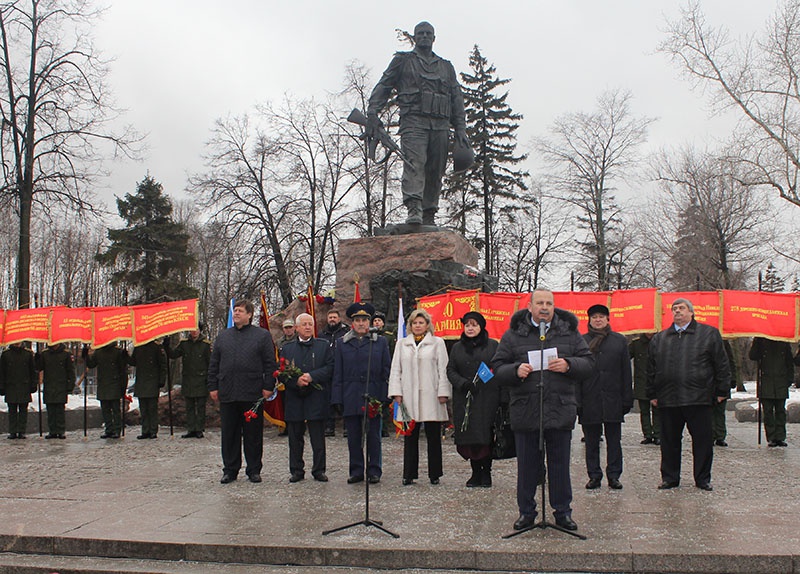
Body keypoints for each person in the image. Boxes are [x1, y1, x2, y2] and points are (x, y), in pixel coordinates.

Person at [491, 289, 593, 532]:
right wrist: (515, 370)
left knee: (560, 466)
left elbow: (588, 363)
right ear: (530, 307)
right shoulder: (514, 335)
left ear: (554, 306)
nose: (544, 307)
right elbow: (497, 367)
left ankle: (562, 512)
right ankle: (526, 512)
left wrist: (569, 365)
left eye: (549, 303)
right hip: (526, 411)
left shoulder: (568, 332)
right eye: (540, 303)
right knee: (526, 467)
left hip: (559, 410)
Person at [367, 21, 468, 226]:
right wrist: (372, 111)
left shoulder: (446, 67)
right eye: (420, 33)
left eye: (428, 33)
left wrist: (461, 129)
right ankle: (414, 207)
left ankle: (429, 213)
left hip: (440, 125)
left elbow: (456, 99)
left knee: (435, 169)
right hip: (414, 122)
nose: (424, 36)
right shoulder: (402, 61)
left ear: (434, 38)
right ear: (415, 37)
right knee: (414, 163)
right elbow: (384, 85)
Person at [646, 298, 730, 491]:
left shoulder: (708, 334)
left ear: (691, 312)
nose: (677, 311)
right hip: (668, 398)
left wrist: (721, 391)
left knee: (702, 442)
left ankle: (702, 479)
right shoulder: (660, 338)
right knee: (669, 442)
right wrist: (652, 393)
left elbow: (722, 365)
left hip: (699, 398)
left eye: (681, 308)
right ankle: (670, 478)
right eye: (674, 309)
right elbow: (650, 368)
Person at [208, 299, 277, 484]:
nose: (236, 313)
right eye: (235, 311)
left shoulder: (261, 336)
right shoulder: (223, 336)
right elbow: (214, 363)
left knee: (253, 434)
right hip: (228, 392)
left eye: (240, 311)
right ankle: (230, 470)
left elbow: (270, 364)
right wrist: (213, 386)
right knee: (229, 434)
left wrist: (268, 386)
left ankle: (254, 469)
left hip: (252, 392)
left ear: (249, 315)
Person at [389, 308, 451, 485]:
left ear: (427, 325)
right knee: (410, 436)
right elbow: (396, 369)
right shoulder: (402, 344)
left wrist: (443, 392)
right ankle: (409, 473)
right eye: (415, 323)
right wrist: (396, 392)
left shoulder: (437, 343)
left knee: (433, 437)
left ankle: (435, 474)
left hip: (432, 395)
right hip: (408, 396)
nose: (418, 325)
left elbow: (442, 369)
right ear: (410, 325)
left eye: (421, 323)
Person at [331, 302, 391, 484]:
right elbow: (337, 373)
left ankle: (374, 471)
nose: (361, 323)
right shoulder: (342, 343)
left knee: (374, 436)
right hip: (350, 394)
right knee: (354, 437)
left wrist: (384, 397)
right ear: (352, 323)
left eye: (365, 320)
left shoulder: (379, 342)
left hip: (373, 393)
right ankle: (356, 470)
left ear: (370, 322)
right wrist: (337, 398)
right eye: (357, 320)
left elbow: (385, 371)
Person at [580, 304, 633, 490]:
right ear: (589, 320)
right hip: (589, 399)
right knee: (591, 442)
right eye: (594, 317)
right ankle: (594, 475)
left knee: (614, 441)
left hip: (613, 399)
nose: (598, 319)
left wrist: (627, 398)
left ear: (608, 319)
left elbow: (626, 372)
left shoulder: (619, 341)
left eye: (602, 316)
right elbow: (577, 373)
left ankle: (614, 475)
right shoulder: (582, 341)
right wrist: (577, 401)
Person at [447, 311, 500, 488]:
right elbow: (451, 370)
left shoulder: (492, 345)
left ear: (481, 326)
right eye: (467, 325)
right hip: (464, 397)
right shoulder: (457, 347)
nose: (470, 328)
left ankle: (486, 472)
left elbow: (497, 366)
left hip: (486, 397)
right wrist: (463, 383)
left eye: (474, 325)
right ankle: (475, 472)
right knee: (469, 437)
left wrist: (483, 380)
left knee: (484, 435)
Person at [281, 313, 334, 483]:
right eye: (304, 324)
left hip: (316, 397)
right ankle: (296, 470)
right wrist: (295, 380)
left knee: (318, 438)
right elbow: (281, 372)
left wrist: (311, 376)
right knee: (295, 438)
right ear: (296, 328)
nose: (307, 327)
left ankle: (319, 469)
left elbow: (330, 368)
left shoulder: (323, 346)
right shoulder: (287, 348)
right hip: (295, 397)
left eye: (310, 324)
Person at [164, 325, 211, 438]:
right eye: (192, 329)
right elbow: (173, 355)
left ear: (200, 331)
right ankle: (191, 429)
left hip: (201, 379)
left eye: (196, 330)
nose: (194, 332)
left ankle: (199, 429)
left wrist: (210, 381)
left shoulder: (205, 345)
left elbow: (210, 363)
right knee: (189, 406)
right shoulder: (184, 344)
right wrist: (166, 345)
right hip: (188, 379)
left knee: (200, 406)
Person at [751, 337, 793, 447]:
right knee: (768, 411)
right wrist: (756, 342)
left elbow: (789, 361)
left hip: (781, 381)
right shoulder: (761, 340)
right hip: (766, 381)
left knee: (780, 411)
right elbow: (753, 356)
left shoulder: (783, 342)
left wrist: (789, 378)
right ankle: (771, 437)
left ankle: (780, 437)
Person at [86, 341, 129, 439]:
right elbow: (92, 364)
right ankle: (109, 429)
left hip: (115, 383)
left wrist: (123, 386)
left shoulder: (118, 352)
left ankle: (117, 429)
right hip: (103, 383)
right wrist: (86, 356)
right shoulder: (99, 352)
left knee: (115, 409)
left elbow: (123, 370)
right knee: (105, 409)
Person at [128, 340, 167, 439]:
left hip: (153, 380)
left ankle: (153, 430)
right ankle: (145, 430)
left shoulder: (157, 347)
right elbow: (133, 361)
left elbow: (163, 364)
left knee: (152, 408)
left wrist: (162, 380)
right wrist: (126, 356)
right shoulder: (138, 347)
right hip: (141, 380)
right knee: (144, 408)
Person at [320, 309, 350, 437]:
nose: (332, 319)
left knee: (344, 398)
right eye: (330, 317)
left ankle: (347, 427)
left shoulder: (346, 333)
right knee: (328, 399)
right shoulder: (322, 334)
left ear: (339, 319)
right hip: (328, 370)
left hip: (342, 369)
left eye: (334, 317)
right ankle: (329, 426)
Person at [36, 343, 76, 439]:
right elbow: (39, 367)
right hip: (49, 385)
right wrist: (37, 359)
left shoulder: (66, 354)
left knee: (59, 410)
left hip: (61, 385)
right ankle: (52, 431)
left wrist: (70, 385)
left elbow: (70, 370)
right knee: (50, 410)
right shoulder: (45, 354)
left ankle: (60, 430)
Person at [0, 342, 37, 439]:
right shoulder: (6, 354)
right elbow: (2, 372)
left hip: (24, 386)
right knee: (12, 410)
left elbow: (32, 371)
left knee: (23, 410)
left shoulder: (28, 354)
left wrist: (34, 384)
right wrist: (2, 386)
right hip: (10, 386)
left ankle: (21, 431)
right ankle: (12, 431)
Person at [629, 332, 659, 445]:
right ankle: (647, 434)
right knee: (644, 410)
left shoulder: (660, 340)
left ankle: (658, 434)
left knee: (657, 410)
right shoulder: (637, 343)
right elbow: (626, 355)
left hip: (657, 381)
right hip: (642, 381)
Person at [372, 310, 396, 437]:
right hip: (374, 371)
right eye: (375, 321)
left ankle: (384, 428)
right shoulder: (369, 335)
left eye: (379, 321)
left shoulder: (389, 336)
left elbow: (392, 352)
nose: (377, 323)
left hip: (386, 371)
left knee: (385, 401)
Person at [712, 340, 739, 447]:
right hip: (707, 382)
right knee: (707, 412)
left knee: (720, 411)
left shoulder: (724, 342)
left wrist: (733, 379)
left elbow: (730, 362)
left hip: (722, 380)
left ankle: (720, 436)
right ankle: (710, 435)